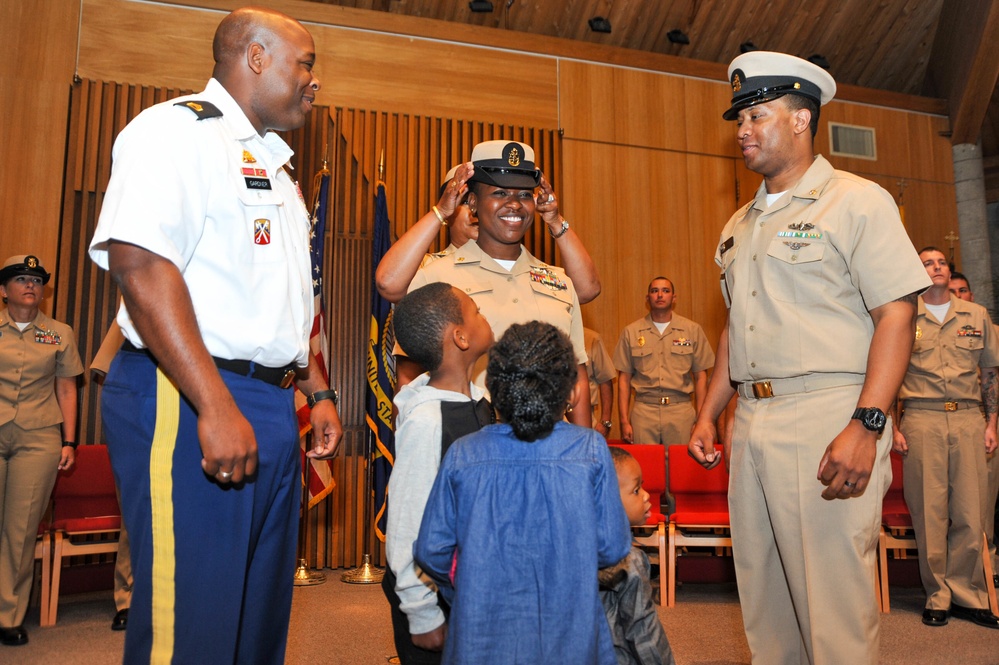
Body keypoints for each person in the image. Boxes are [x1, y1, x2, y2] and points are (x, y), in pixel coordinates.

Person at [87, 8, 343, 663]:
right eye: (305, 63)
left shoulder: (276, 169)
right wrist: (215, 402)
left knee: (255, 621)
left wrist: (316, 392)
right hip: (191, 391)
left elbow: (279, 306)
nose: (314, 81)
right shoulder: (176, 132)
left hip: (268, 404)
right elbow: (140, 265)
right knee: (192, 621)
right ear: (255, 57)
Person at [687, 51, 930, 665]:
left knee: (834, 610)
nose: (742, 131)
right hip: (754, 420)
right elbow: (737, 332)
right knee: (767, 607)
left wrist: (868, 423)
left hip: (831, 415)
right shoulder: (737, 226)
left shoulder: (857, 201)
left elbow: (896, 316)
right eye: (739, 120)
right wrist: (709, 413)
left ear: (801, 120)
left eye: (757, 116)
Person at [415, 321, 631, 664]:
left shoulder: (463, 453)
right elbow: (612, 546)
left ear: (494, 389)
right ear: (572, 393)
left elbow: (431, 550)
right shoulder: (590, 449)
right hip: (571, 638)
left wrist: (470, 583)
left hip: (479, 637)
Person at [407, 140, 592, 426]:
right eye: (500, 192)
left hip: (552, 445)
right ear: (472, 202)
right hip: (473, 441)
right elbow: (409, 370)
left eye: (524, 195)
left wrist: (583, 449)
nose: (514, 204)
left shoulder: (559, 281)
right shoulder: (437, 275)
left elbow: (577, 371)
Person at [382, 282, 495, 664]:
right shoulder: (428, 420)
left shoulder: (481, 403)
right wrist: (421, 611)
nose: (484, 316)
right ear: (460, 337)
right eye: (476, 310)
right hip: (433, 595)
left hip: (471, 584)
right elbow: (406, 520)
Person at [892, 248, 999, 629]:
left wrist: (992, 424)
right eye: (926, 263)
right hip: (922, 418)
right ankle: (937, 594)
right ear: (916, 272)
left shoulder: (976, 315)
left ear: (948, 271)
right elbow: (887, 373)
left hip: (970, 417)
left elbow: (989, 373)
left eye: (940, 262)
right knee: (929, 512)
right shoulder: (902, 316)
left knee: (971, 513)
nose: (935, 267)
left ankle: (969, 595)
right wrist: (894, 425)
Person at [0, 255, 83, 647]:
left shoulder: (59, 333)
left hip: (38, 438)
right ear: (4, 290)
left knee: (20, 532)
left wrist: (70, 440)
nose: (29, 284)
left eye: (36, 279)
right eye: (20, 278)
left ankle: (8, 616)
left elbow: (67, 388)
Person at [375, 164, 602, 306]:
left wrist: (555, 220)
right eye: (463, 202)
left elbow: (587, 290)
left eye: (520, 194)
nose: (475, 213)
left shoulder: (539, 270)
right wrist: (440, 211)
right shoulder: (429, 269)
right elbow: (389, 283)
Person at [614, 277, 714, 512]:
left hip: (680, 410)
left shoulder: (692, 330)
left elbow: (701, 377)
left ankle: (679, 534)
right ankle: (646, 530)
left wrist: (702, 419)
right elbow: (624, 379)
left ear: (674, 297)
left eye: (666, 290)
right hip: (644, 410)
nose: (660, 295)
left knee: (680, 474)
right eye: (655, 291)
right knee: (642, 473)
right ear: (647, 298)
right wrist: (624, 420)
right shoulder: (631, 331)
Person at [599, 447, 675, 665]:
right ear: (606, 499)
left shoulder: (571, 548)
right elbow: (644, 631)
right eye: (636, 490)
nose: (646, 495)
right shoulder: (630, 559)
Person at [949, 270, 999, 587]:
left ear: (971, 295)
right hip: (955, 422)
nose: (958, 295)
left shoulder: (990, 329)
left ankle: (987, 562)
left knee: (983, 503)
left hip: (986, 422)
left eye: (963, 290)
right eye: (951, 290)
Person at [90, 320, 131, 631]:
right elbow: (107, 374)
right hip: (142, 421)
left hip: (193, 425)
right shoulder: (135, 303)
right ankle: (129, 598)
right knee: (134, 515)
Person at [585, 327, 616, 437]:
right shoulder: (546, 336)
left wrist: (605, 422)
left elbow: (605, 379)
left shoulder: (591, 338)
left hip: (585, 417)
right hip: (553, 417)